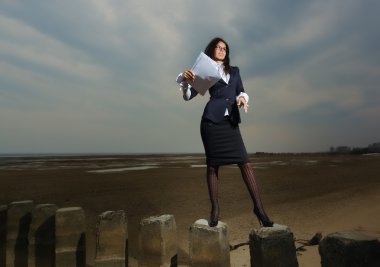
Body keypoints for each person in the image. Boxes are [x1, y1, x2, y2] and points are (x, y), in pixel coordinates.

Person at [176, 37, 274, 227]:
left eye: (225, 48)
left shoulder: (235, 71)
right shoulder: (204, 71)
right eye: (218, 47)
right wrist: (187, 82)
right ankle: (215, 210)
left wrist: (243, 99)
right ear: (212, 49)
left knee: (246, 164)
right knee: (213, 167)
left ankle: (259, 209)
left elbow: (241, 91)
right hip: (211, 123)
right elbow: (188, 96)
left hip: (230, 124)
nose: (222, 50)